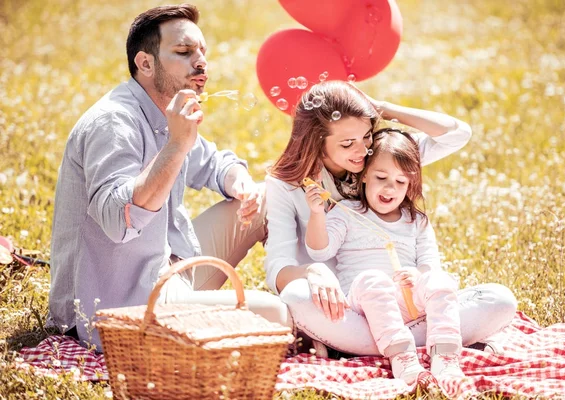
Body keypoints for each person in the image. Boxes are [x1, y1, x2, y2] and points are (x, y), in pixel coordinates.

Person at [49, 4, 288, 351]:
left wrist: (241, 185)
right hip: (115, 305)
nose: (201, 62)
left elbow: (216, 163)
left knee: (269, 197)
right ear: (145, 63)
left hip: (168, 270)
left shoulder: (166, 111)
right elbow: (119, 220)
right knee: (276, 314)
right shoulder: (113, 123)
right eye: (184, 52)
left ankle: (311, 290)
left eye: (202, 52)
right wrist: (176, 145)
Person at [265, 80, 517, 357]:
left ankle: (384, 344)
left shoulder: (378, 161)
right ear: (317, 144)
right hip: (346, 310)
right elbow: (278, 268)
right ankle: (434, 336)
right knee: (295, 297)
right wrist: (312, 271)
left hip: (402, 305)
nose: (361, 151)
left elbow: (456, 134)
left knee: (499, 299)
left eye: (366, 136)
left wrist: (382, 109)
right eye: (348, 143)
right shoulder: (285, 185)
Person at [304, 129, 464, 383]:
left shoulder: (416, 221)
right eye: (381, 177)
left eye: (401, 182)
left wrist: (417, 275)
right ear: (365, 174)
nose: (391, 188)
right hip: (362, 305)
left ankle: (445, 357)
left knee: (442, 282)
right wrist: (316, 214)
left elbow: (429, 264)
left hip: (408, 303)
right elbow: (320, 250)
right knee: (374, 280)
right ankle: (402, 356)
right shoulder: (347, 212)